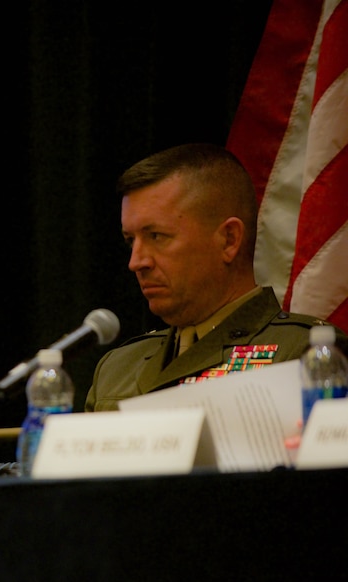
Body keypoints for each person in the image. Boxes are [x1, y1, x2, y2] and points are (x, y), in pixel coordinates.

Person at [86, 143, 348, 413]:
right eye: (131, 241)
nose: (136, 262)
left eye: (156, 236)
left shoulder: (302, 355)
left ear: (229, 240)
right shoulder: (117, 368)